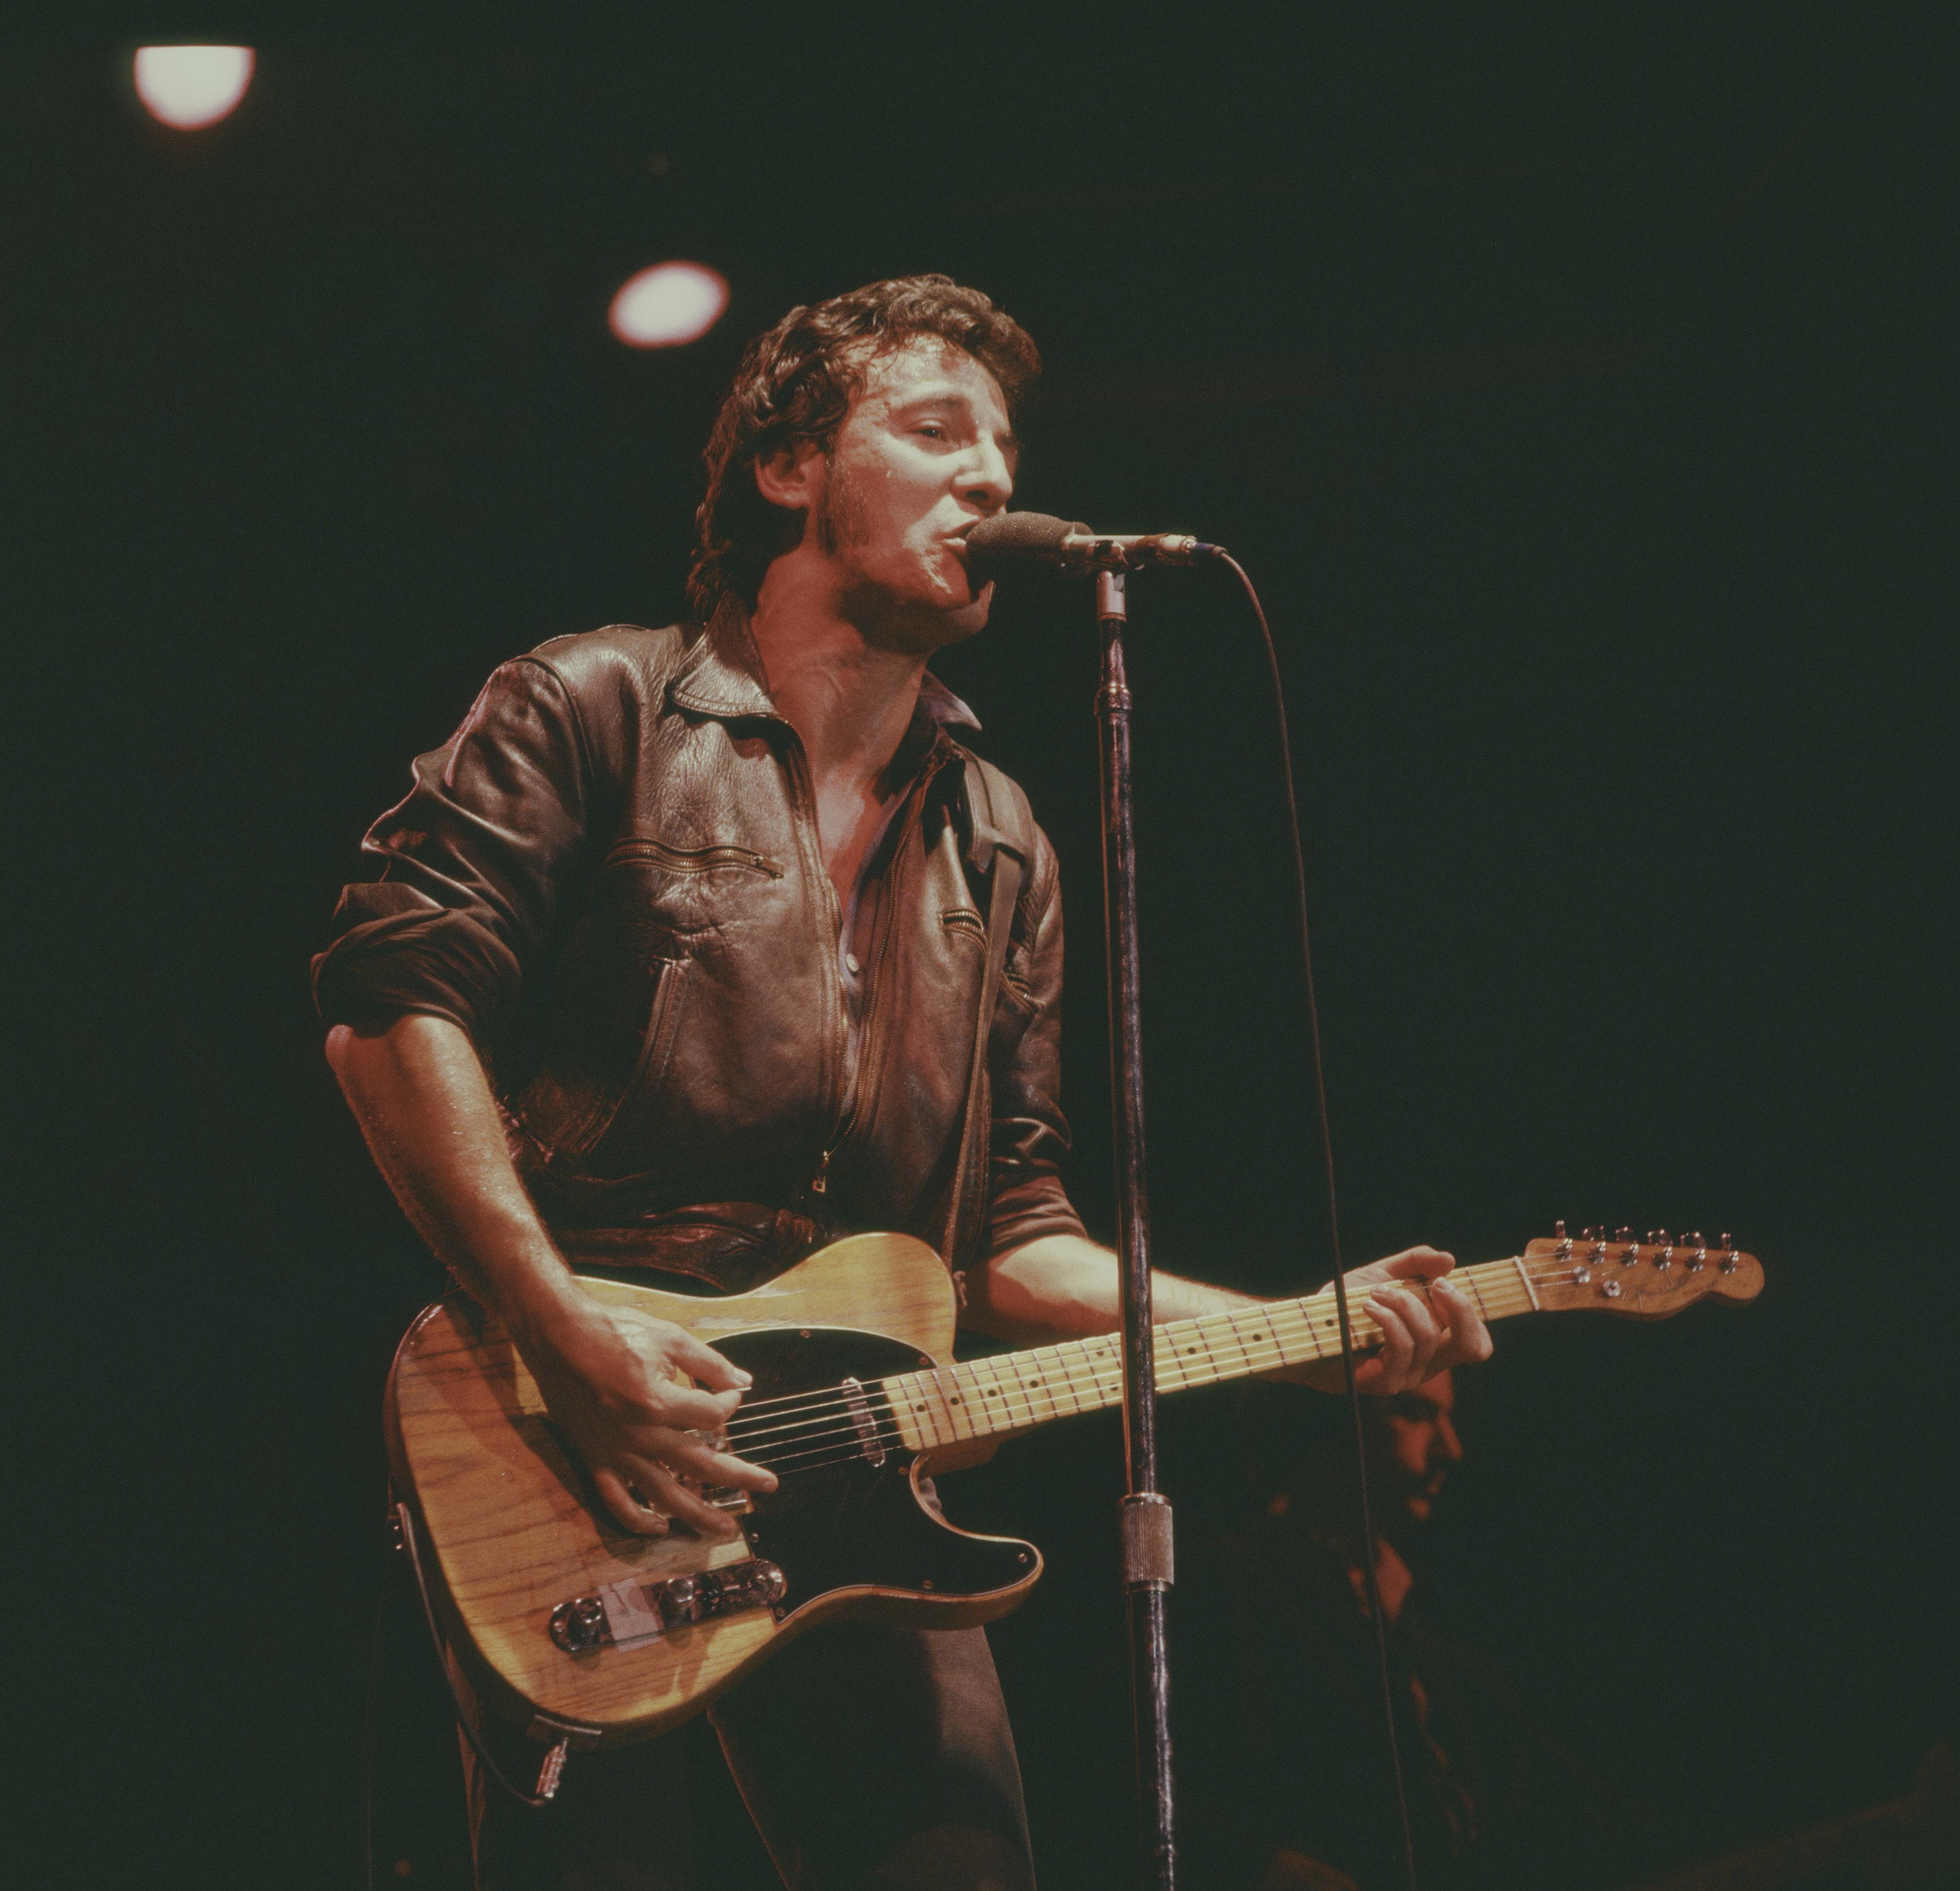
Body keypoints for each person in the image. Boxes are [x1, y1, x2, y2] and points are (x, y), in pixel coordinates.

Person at [314, 274, 1493, 1891]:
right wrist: (560, 1325)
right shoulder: (597, 705)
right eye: (934, 430)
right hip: (568, 1431)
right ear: (788, 465)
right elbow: (390, 1004)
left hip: (857, 1488)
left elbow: (1015, 1237)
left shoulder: (995, 836)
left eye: (1001, 449)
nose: (988, 476)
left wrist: (1296, 1332)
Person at [1178, 1371, 1631, 1891]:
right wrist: (1258, 1867)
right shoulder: (1223, 1583)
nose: (1452, 1449)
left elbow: (1551, 1795)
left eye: (1448, 1417)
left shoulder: (1417, 1618)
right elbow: (1132, 1793)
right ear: (1321, 1418)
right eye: (1415, 1413)